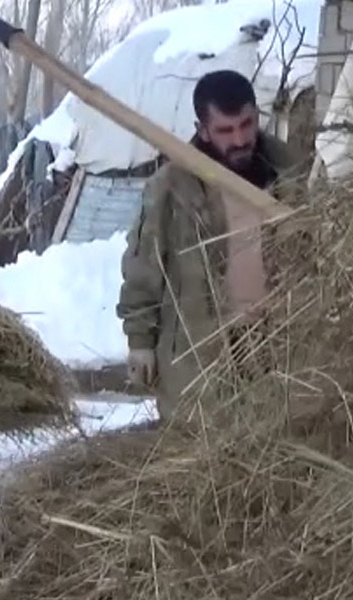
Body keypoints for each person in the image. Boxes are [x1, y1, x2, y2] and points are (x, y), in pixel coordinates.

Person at [115, 69, 307, 422]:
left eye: (246, 125)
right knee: (203, 455)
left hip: (275, 343)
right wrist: (140, 342)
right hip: (200, 350)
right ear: (202, 129)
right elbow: (143, 266)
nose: (239, 139)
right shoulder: (172, 187)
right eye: (225, 130)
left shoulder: (290, 173)